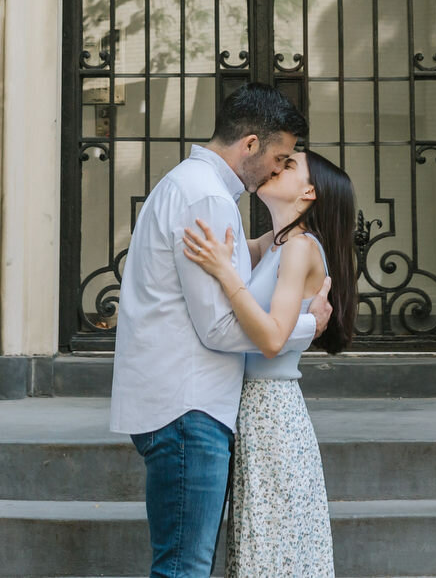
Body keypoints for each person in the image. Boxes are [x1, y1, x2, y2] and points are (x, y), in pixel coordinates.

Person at [109, 85, 334, 578]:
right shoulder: (207, 197)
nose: (278, 168)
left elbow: (255, 256)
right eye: (278, 157)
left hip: (177, 401)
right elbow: (219, 327)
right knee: (184, 567)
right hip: (188, 406)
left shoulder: (189, 186)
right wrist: (304, 326)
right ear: (250, 145)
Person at [181, 147, 357, 578]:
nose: (276, 167)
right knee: (259, 544)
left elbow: (272, 338)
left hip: (272, 410)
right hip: (252, 407)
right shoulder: (273, 245)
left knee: (273, 548)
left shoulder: (300, 249)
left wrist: (225, 273)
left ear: (309, 192)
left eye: (289, 164)